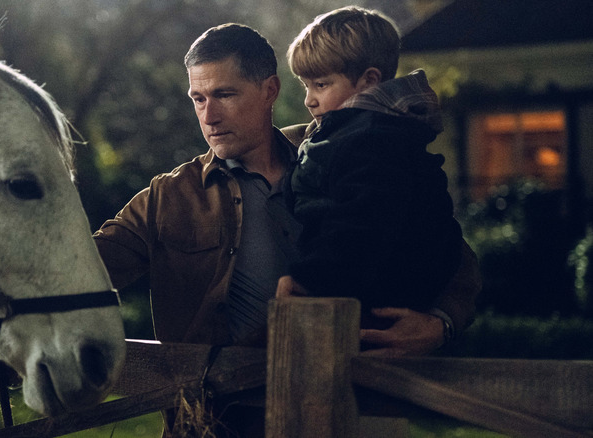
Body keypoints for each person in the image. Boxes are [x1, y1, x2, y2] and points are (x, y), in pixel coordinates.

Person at [93, 22, 480, 437]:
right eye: (198, 98)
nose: (209, 115)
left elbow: (454, 255)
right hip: (216, 424)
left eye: (225, 94)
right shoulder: (168, 198)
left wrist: (440, 324)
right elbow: (83, 265)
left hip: (353, 413)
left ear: (270, 90)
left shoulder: (342, 152)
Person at [276, 6, 463, 328]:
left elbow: (362, 220)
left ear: (369, 81)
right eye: (306, 86)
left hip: (371, 302)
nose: (309, 100)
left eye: (320, 85)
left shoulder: (369, 141)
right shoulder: (364, 134)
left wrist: (312, 279)